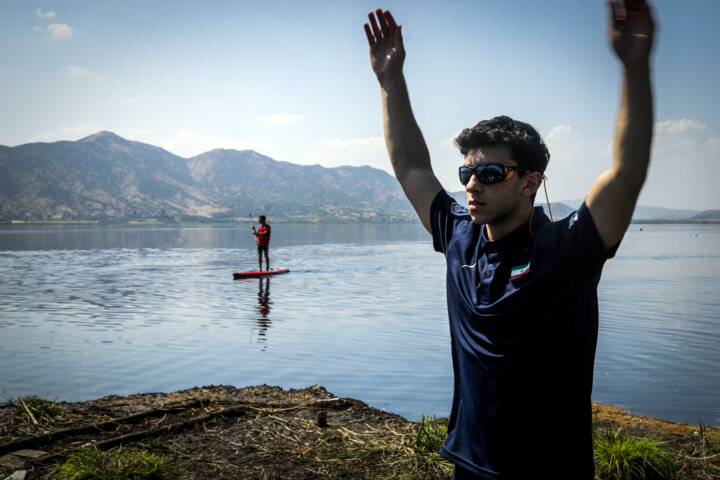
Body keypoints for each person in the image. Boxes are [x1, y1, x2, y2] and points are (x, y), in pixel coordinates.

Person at [364, 1, 654, 478]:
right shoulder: (459, 236)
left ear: (529, 181)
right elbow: (412, 167)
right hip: (469, 465)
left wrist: (635, 68)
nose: (472, 184)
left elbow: (626, 175)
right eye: (467, 173)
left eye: (490, 173)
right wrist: (390, 82)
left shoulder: (567, 250)